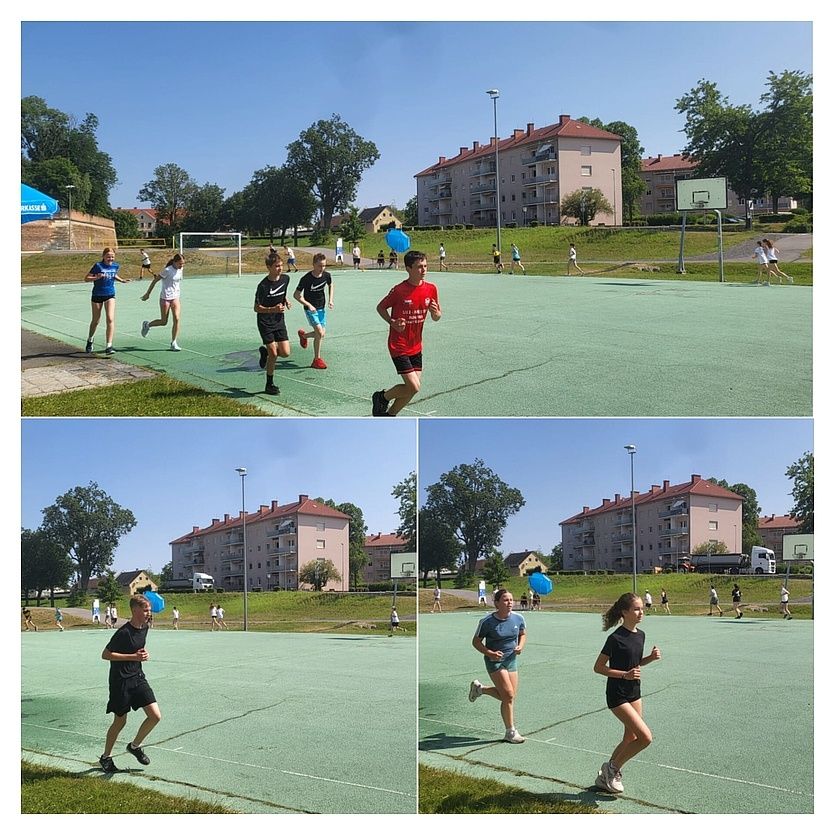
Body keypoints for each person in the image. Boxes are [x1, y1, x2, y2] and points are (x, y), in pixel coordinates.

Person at [592, 592, 661, 793]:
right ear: (625, 612)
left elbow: (634, 664)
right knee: (645, 737)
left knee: (630, 738)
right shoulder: (615, 638)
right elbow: (598, 667)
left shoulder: (641, 635)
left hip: (634, 691)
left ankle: (606, 775)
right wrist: (624, 675)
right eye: (636, 609)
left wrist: (650, 658)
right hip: (617, 694)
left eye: (642, 608)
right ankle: (612, 769)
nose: (641, 612)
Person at [372, 251, 442, 417]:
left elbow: (437, 316)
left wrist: (435, 313)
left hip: (416, 345)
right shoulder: (399, 290)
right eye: (419, 267)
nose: (423, 270)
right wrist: (392, 322)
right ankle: (381, 396)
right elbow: (380, 307)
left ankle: (389, 416)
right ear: (408, 269)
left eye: (425, 266)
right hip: (399, 345)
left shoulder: (431, 289)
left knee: (412, 389)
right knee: (414, 387)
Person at [99, 594, 161, 773]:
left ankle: (134, 746)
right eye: (146, 609)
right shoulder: (123, 632)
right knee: (120, 721)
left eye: (149, 609)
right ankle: (106, 758)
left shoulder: (145, 627)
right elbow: (106, 654)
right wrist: (133, 656)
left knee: (155, 716)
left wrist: (142, 654)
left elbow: (137, 647)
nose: (149, 612)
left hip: (138, 677)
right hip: (121, 681)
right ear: (135, 611)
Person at [468, 588, 527, 744]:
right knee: (507, 695)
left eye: (511, 600)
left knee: (509, 696)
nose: (510, 603)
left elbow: (522, 634)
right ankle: (510, 732)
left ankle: (480, 689)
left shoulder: (518, 618)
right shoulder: (487, 622)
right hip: (495, 662)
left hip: (511, 660)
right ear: (497, 603)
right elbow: (476, 642)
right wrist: (490, 653)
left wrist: (520, 646)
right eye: (506, 600)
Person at [254, 250, 292, 396]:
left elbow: (282, 293)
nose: (280, 268)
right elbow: (256, 308)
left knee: (286, 353)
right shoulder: (262, 286)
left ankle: (264, 354)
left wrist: (285, 301)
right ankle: (269, 384)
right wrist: (272, 309)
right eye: (277, 266)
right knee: (274, 353)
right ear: (269, 267)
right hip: (265, 321)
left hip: (279, 321)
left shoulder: (286, 279)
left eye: (281, 265)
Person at [84, 247, 131, 355]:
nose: (110, 258)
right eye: (108, 256)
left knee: (110, 318)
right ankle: (90, 340)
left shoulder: (115, 266)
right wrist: (96, 277)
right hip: (97, 295)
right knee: (96, 321)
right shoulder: (98, 266)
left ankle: (109, 346)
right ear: (103, 256)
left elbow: (113, 275)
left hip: (110, 294)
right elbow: (86, 278)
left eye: (112, 256)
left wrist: (122, 280)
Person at [294, 253, 334, 370]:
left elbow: (331, 285)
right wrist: (308, 305)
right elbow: (296, 295)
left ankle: (304, 336)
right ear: (313, 265)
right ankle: (316, 359)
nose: (322, 268)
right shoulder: (306, 279)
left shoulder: (327, 275)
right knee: (320, 333)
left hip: (321, 308)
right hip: (310, 309)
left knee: (321, 334)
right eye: (319, 266)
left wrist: (330, 300)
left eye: (324, 266)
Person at [140, 253, 185, 351]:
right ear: (174, 262)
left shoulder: (180, 270)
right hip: (165, 298)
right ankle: (147, 325)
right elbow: (154, 281)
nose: (181, 266)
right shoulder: (167, 270)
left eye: (183, 264)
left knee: (177, 319)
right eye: (180, 264)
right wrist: (148, 294)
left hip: (175, 298)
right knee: (164, 321)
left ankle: (173, 343)